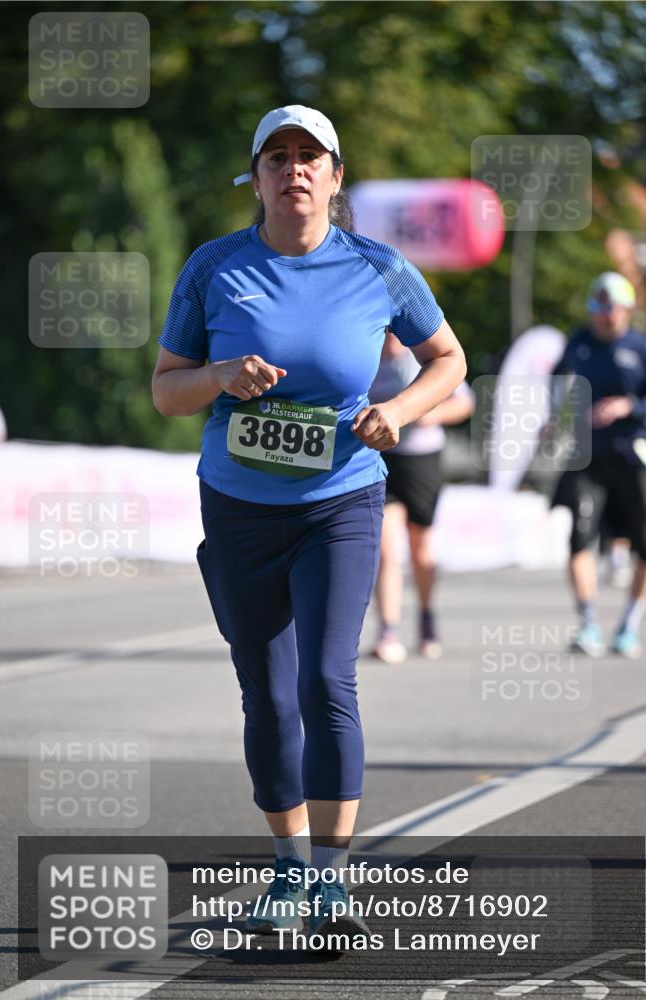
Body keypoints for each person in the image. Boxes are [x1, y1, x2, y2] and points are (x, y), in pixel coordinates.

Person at [151, 105, 466, 938]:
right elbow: (165, 389)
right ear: (254, 179)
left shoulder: (378, 267)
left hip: (341, 501)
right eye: (276, 157)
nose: (293, 169)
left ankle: (331, 882)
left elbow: (448, 360)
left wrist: (398, 411)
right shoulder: (214, 267)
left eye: (309, 157)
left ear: (333, 176)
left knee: (326, 680)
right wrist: (220, 375)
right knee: (267, 696)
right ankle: (288, 872)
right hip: (239, 507)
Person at [550, 272, 646, 659]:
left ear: (627, 309)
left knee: (645, 545)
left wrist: (629, 406)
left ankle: (629, 626)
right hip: (588, 456)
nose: (605, 316)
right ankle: (587, 623)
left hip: (633, 456)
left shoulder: (644, 349)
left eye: (612, 308)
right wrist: (554, 417)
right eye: (598, 308)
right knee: (579, 537)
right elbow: (557, 383)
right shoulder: (578, 343)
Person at [368, 330, 475, 662]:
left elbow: (464, 403)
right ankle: (387, 630)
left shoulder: (424, 355)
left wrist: (432, 414)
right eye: (384, 333)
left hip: (422, 460)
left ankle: (427, 617)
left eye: (393, 334)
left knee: (420, 547)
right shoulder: (367, 357)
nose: (390, 341)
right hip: (380, 459)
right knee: (386, 549)